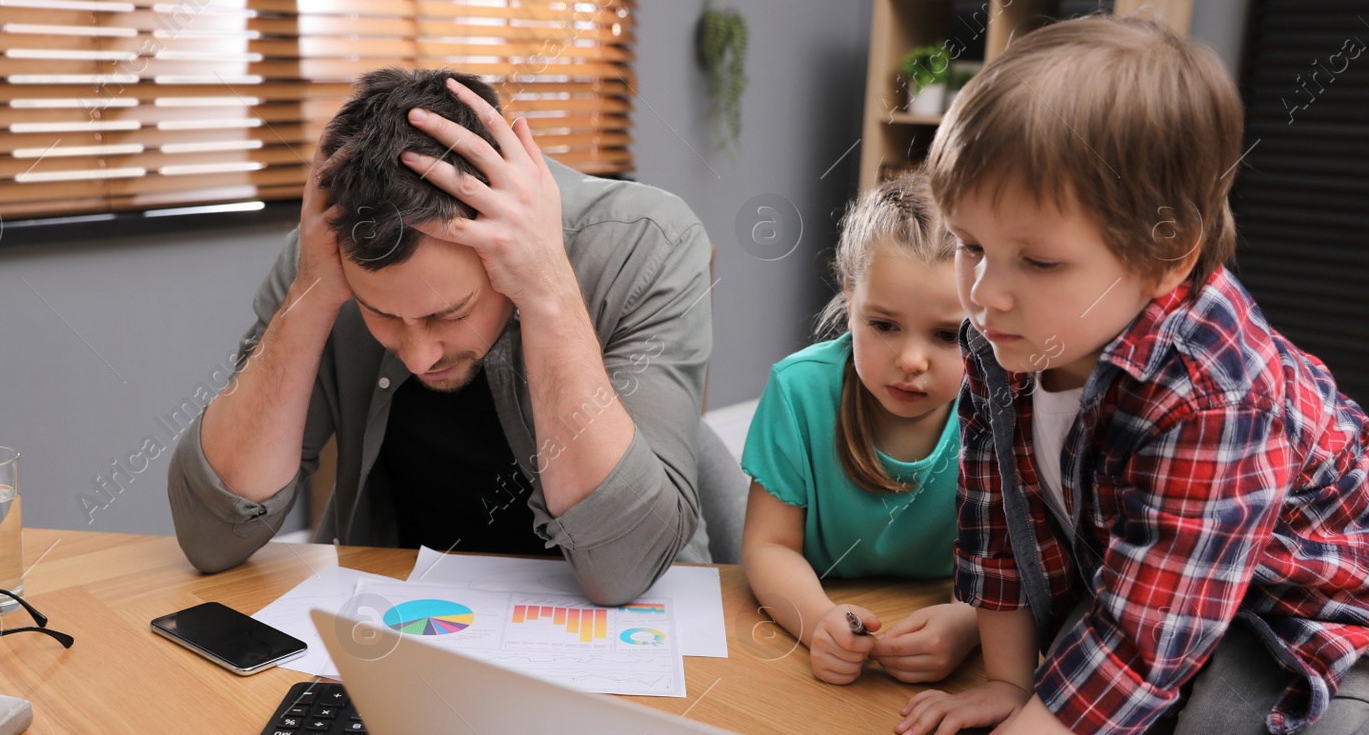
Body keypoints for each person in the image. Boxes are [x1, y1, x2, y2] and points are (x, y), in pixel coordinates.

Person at [893, 15, 1369, 735]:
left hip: (1314, 603)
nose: (985, 292)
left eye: (1037, 262)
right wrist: (1011, 680)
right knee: (1082, 700)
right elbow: (996, 516)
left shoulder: (1219, 391)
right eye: (969, 245)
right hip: (1179, 586)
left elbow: (1141, 639)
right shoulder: (1006, 333)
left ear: (1164, 255)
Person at [167, 68, 716, 605]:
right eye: (380, 313)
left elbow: (625, 571)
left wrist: (547, 288)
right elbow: (211, 537)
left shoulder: (647, 245)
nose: (418, 354)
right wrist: (312, 293)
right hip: (403, 621)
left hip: (619, 640)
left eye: (449, 314)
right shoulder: (328, 251)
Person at [740, 175, 979, 686]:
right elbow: (769, 546)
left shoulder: (1003, 405)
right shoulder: (797, 390)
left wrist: (970, 620)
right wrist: (818, 620)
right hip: (822, 599)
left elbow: (1015, 560)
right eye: (884, 325)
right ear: (850, 299)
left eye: (945, 335)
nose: (910, 360)